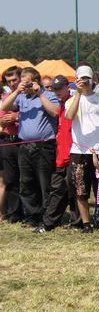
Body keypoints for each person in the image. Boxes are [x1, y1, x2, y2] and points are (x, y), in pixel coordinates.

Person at [0, 67, 60, 229]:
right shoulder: (22, 98)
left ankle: (47, 216)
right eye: (22, 82)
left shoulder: (48, 95)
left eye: (27, 82)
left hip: (44, 146)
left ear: (36, 81)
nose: (24, 85)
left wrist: (39, 93)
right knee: (27, 183)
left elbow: (55, 112)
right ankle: (32, 215)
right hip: (24, 146)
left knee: (44, 183)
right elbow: (4, 106)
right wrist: (17, 92)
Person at [65, 65, 99, 232]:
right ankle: (86, 223)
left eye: (87, 78)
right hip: (79, 151)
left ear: (92, 79)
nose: (84, 82)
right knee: (80, 188)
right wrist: (78, 93)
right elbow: (69, 116)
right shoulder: (72, 100)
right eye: (81, 79)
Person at [39, 75, 74, 232]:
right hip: (62, 153)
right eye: (54, 89)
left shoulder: (72, 102)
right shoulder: (61, 103)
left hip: (72, 152)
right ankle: (50, 222)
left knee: (72, 190)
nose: (57, 92)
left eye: (60, 88)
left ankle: (51, 222)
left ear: (68, 87)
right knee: (59, 188)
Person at [0, 66, 22, 223]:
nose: (13, 83)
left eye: (15, 79)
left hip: (25, 141)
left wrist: (17, 117)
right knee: (11, 179)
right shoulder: (7, 97)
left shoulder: (31, 96)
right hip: (8, 142)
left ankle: (32, 212)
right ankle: (14, 213)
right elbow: (1, 118)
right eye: (9, 81)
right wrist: (3, 121)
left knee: (28, 179)